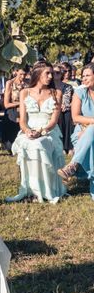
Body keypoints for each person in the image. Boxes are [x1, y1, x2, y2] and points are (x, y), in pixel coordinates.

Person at [6, 61, 66, 203]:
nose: (51, 76)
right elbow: (22, 120)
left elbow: (53, 121)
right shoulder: (24, 92)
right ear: (38, 74)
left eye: (52, 73)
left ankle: (45, 190)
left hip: (48, 131)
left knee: (39, 143)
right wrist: (27, 131)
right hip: (29, 129)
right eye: (48, 73)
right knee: (28, 143)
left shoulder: (57, 93)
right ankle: (29, 190)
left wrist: (42, 131)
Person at [58, 63, 94, 199]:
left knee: (92, 135)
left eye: (88, 75)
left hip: (87, 134)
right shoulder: (79, 92)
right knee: (91, 134)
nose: (84, 79)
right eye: (82, 76)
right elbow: (75, 117)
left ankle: (74, 165)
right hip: (81, 132)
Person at [3, 67, 27, 149]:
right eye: (21, 74)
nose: (23, 77)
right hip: (13, 109)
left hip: (25, 109)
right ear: (16, 72)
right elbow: (6, 104)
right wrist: (20, 103)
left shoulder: (27, 83)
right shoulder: (10, 83)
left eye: (24, 74)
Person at [54, 64, 74, 154]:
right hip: (54, 110)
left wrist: (67, 106)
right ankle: (61, 146)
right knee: (59, 119)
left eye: (59, 72)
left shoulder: (68, 87)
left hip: (67, 109)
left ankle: (69, 147)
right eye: (54, 72)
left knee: (68, 117)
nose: (56, 74)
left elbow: (72, 100)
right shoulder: (50, 88)